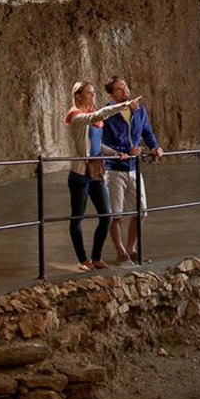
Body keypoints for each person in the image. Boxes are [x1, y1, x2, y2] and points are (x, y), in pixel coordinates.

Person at [65, 81, 134, 271]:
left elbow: (97, 145)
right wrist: (123, 105)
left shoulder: (89, 116)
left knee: (106, 215)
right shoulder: (77, 116)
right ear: (79, 95)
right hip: (80, 173)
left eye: (93, 92)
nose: (93, 96)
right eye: (89, 93)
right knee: (77, 217)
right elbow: (100, 114)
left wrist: (114, 152)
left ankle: (96, 257)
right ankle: (82, 259)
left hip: (95, 172)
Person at [101, 76, 163, 263]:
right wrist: (125, 151)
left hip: (134, 167)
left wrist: (155, 146)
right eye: (119, 89)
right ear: (111, 94)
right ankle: (121, 252)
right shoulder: (107, 114)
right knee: (115, 214)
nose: (125, 90)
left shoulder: (138, 109)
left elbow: (146, 130)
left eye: (125, 86)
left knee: (141, 210)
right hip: (114, 169)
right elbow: (103, 142)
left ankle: (131, 249)